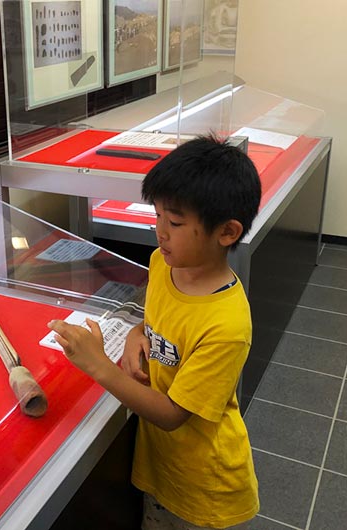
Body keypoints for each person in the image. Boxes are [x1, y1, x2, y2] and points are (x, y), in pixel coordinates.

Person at [48, 134, 261, 529]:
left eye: (175, 222)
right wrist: (135, 336)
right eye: (157, 216)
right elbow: (154, 318)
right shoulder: (163, 265)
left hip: (203, 485)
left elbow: (172, 415)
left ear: (227, 233)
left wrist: (99, 367)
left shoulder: (227, 325)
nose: (160, 231)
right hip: (161, 467)